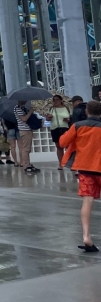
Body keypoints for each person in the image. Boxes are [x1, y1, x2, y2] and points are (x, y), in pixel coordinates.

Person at [59, 100, 101, 252]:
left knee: (87, 202)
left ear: (86, 111)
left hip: (85, 168)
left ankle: (86, 236)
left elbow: (63, 142)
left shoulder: (77, 126)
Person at [8, 102, 40, 174]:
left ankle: (28, 163)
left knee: (27, 148)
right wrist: (30, 112)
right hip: (24, 130)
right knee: (25, 149)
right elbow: (24, 119)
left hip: (27, 129)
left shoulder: (23, 108)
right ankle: (26, 165)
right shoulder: (18, 108)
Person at [48, 95, 73, 166]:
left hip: (65, 128)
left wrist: (68, 120)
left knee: (67, 146)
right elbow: (48, 119)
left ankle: (70, 162)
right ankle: (61, 163)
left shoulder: (67, 108)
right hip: (55, 128)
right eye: (54, 100)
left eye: (57, 99)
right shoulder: (51, 109)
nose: (55, 101)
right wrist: (48, 118)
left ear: (61, 100)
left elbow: (71, 119)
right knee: (58, 147)